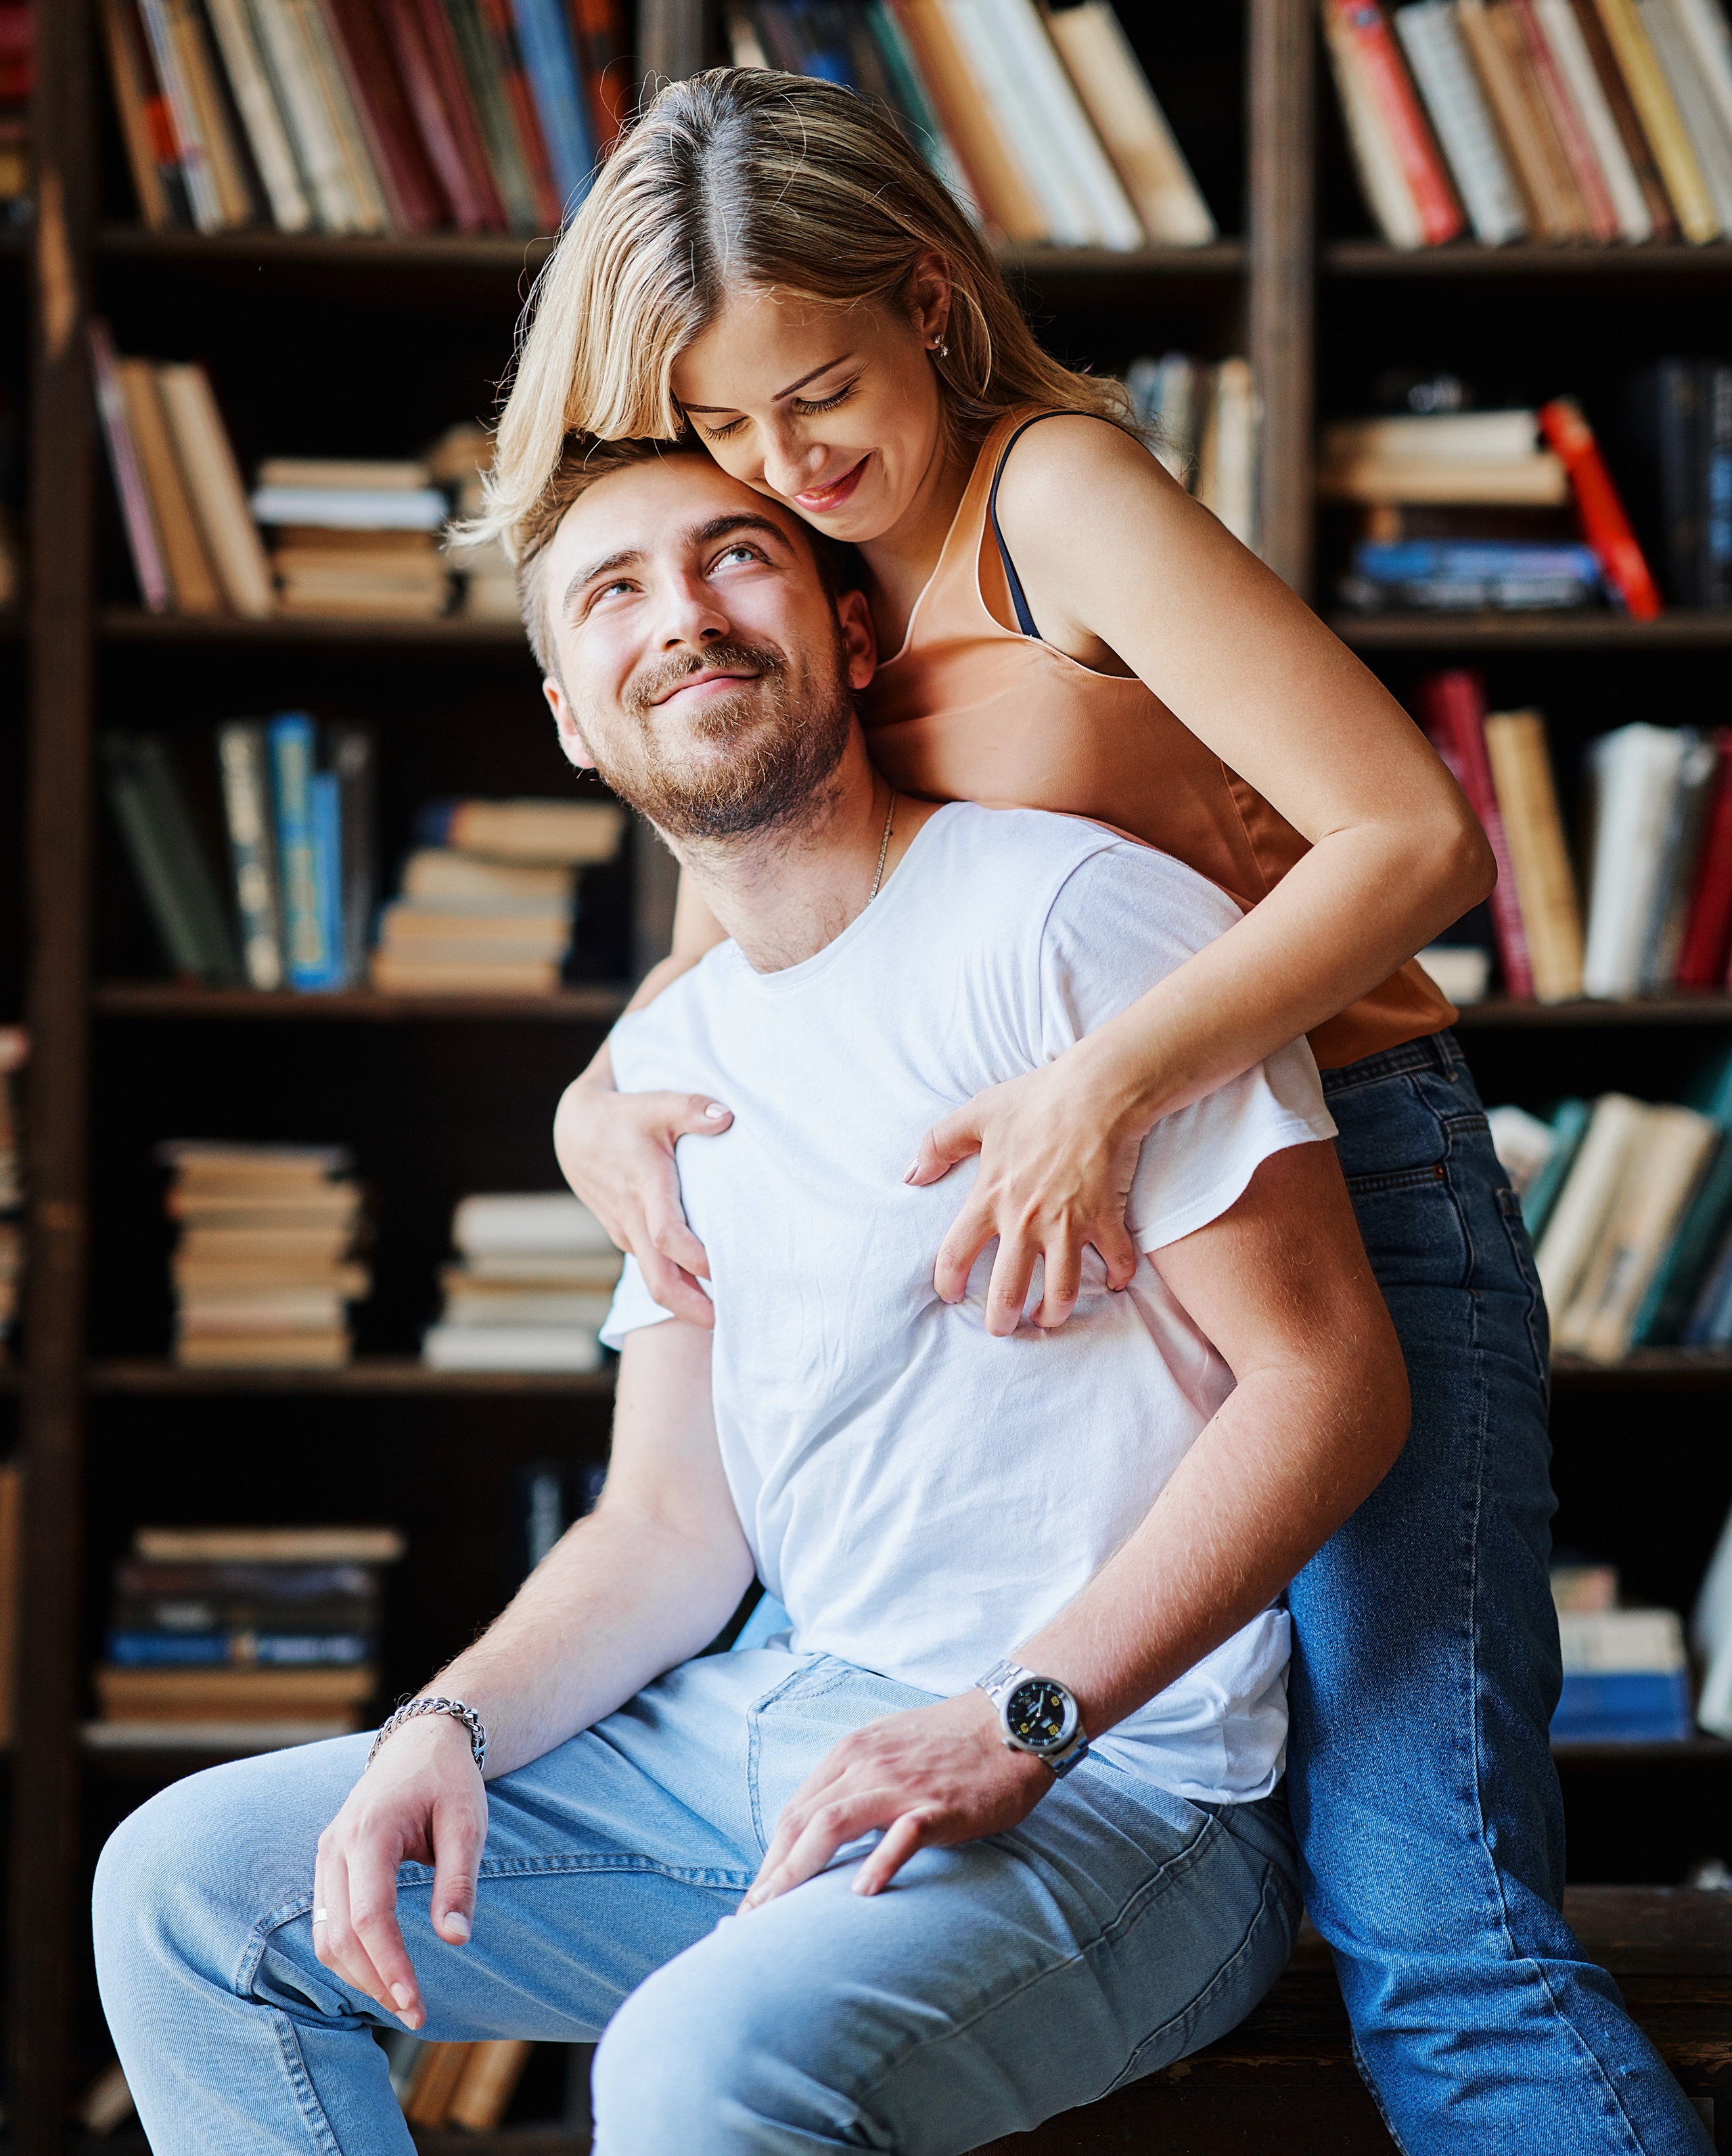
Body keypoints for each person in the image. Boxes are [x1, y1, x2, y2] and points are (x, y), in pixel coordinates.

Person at [483, 70, 1713, 2155]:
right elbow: (732, 928)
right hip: (1093, 1275)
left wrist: (1106, 1080)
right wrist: (592, 1093)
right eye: (724, 424)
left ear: (936, 301)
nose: (784, 460)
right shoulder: (809, 569)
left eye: (824, 390)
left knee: (1436, 1929)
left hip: (1348, 1200)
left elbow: (1415, 838)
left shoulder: (1049, 495)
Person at [95, 442, 1410, 2156]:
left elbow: (1329, 1382)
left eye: (735, 557)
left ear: (853, 635)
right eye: (615, 591)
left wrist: (1016, 1717)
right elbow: (662, 1527)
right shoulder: (660, 1065)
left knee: (695, 2071)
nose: (685, 617)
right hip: (767, 1722)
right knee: (189, 1889)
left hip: (1123, 1782)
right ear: (573, 712)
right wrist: (445, 1724)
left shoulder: (1065, 917)